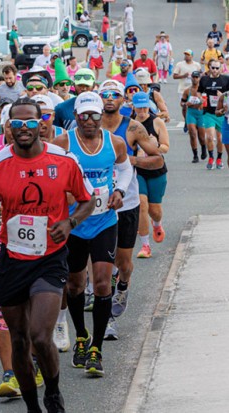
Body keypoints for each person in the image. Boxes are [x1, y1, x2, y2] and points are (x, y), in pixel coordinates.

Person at [0, 97, 95, 412]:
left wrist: (70, 223)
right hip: (12, 260)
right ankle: (32, 407)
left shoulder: (63, 160)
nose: (24, 128)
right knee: (19, 341)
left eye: (30, 122)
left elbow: (88, 199)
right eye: (17, 123)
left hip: (49, 259)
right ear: (9, 127)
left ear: (41, 124)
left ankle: (52, 391)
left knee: (40, 336)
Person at [52, 89, 131, 377]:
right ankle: (81, 336)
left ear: (101, 116)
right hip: (74, 224)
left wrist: (119, 190)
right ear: (76, 116)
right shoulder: (63, 142)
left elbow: (125, 170)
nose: (89, 121)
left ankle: (96, 348)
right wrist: (63, 194)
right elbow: (50, 172)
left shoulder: (115, 142)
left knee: (101, 284)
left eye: (94, 116)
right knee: (74, 286)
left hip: (104, 222)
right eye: (84, 115)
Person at [98, 80, 163, 340]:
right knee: (104, 265)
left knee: (123, 263)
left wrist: (129, 160)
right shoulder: (88, 127)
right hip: (98, 205)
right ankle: (108, 319)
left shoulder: (133, 127)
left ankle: (123, 287)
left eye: (115, 94)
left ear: (123, 99)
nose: (109, 98)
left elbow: (157, 159)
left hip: (128, 201)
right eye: (105, 94)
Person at [130, 92, 169, 259]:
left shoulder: (157, 122)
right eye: (139, 107)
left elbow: (166, 146)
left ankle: (157, 224)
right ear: (133, 107)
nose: (142, 111)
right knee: (142, 204)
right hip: (137, 171)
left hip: (156, 169)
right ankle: (145, 245)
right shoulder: (130, 124)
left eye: (145, 107)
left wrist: (154, 147)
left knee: (155, 210)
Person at [198, 59, 229, 169]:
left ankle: (219, 158)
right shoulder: (204, 79)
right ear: (209, 68)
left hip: (222, 114)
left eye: (217, 68)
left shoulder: (226, 79)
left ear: (220, 68)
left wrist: (223, 96)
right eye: (213, 68)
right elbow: (199, 91)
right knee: (210, 136)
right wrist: (200, 98)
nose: (215, 70)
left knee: (220, 139)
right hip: (208, 112)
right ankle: (211, 157)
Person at [173, 49, 202, 133]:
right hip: (183, 89)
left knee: (195, 105)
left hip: (194, 89)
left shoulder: (196, 65)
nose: (186, 56)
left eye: (188, 55)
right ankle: (186, 120)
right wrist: (183, 76)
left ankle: (193, 121)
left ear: (192, 56)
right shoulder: (180, 64)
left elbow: (201, 74)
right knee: (184, 107)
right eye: (185, 54)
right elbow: (174, 76)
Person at [182, 71, 206, 162]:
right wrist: (185, 104)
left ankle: (203, 148)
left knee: (202, 137)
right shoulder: (187, 91)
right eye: (193, 77)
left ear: (200, 78)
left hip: (201, 114)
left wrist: (202, 102)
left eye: (197, 77)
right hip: (191, 113)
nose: (195, 79)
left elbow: (207, 102)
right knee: (192, 134)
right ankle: (195, 155)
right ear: (191, 78)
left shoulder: (204, 90)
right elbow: (182, 103)